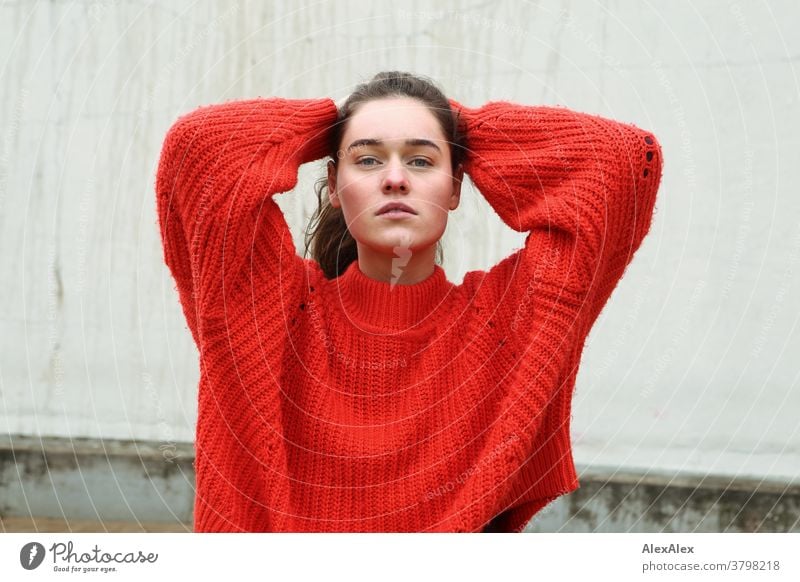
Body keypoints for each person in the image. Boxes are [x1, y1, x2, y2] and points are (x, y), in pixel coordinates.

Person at [155, 70, 663, 533]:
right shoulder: (272, 314)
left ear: (455, 187)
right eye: (368, 159)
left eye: (421, 160)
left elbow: (622, 160)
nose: (395, 178)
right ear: (333, 185)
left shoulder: (505, 324)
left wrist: (460, 123)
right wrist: (339, 116)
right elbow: (200, 149)